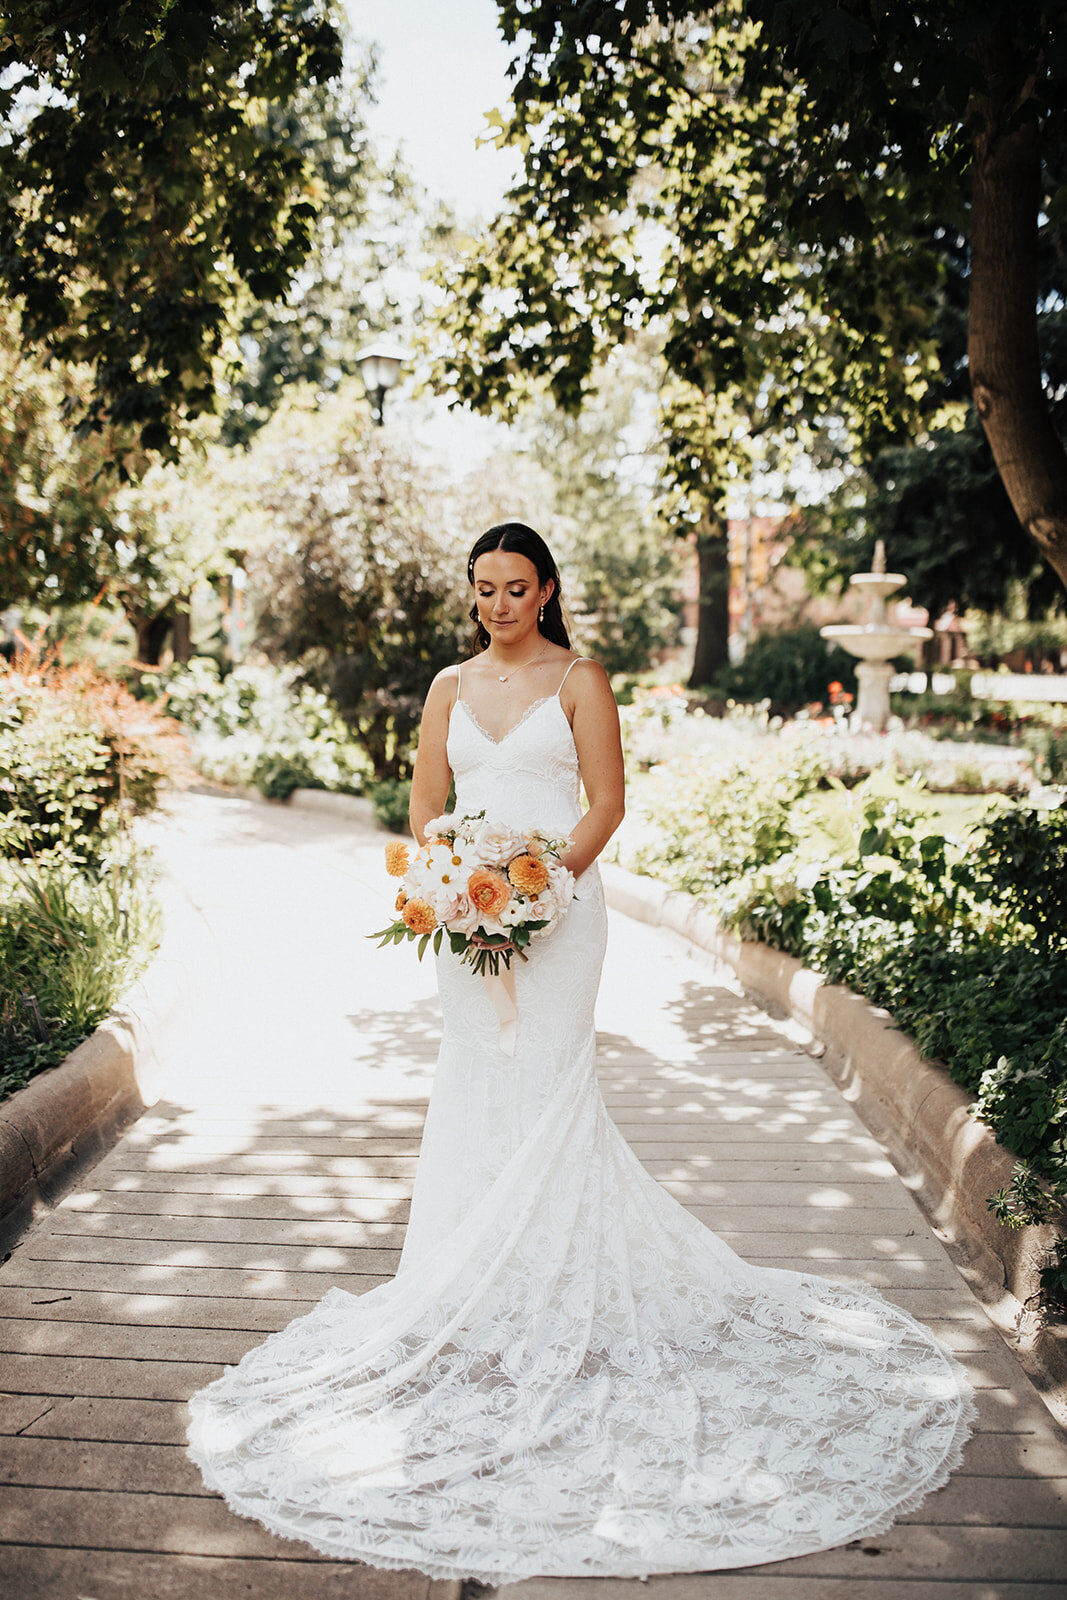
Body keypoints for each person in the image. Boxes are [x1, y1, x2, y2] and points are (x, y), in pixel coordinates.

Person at [187, 522, 975, 1584]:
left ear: (547, 588)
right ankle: (465, 1293)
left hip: (558, 913)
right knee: (473, 1079)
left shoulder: (579, 678)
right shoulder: (447, 686)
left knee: (549, 1082)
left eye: (515, 587)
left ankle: (557, 1294)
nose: (497, 605)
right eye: (482, 589)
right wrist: (454, 880)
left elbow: (605, 802)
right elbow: (426, 804)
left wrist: (535, 885)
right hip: (462, 917)